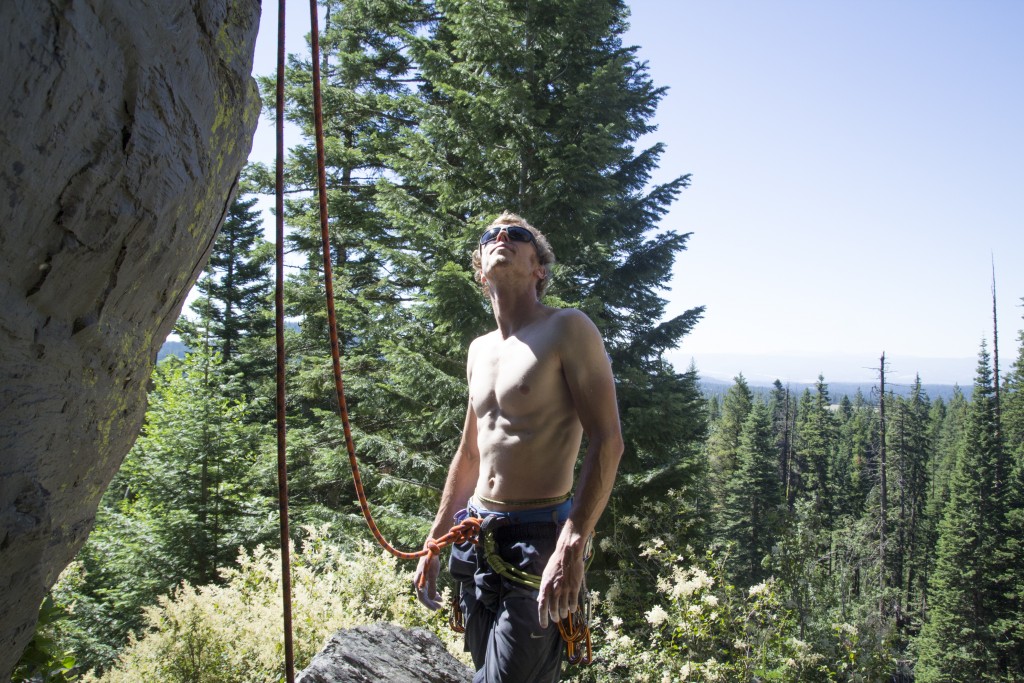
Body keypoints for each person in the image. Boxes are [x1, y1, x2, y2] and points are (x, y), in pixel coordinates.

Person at [413, 212, 624, 682]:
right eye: (491, 236)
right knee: (484, 668)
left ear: (539, 268)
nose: (502, 238)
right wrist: (434, 539)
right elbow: (470, 454)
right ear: (480, 269)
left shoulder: (567, 329)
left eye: (518, 235)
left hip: (540, 539)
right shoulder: (479, 350)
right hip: (475, 534)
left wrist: (573, 541)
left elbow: (608, 440)